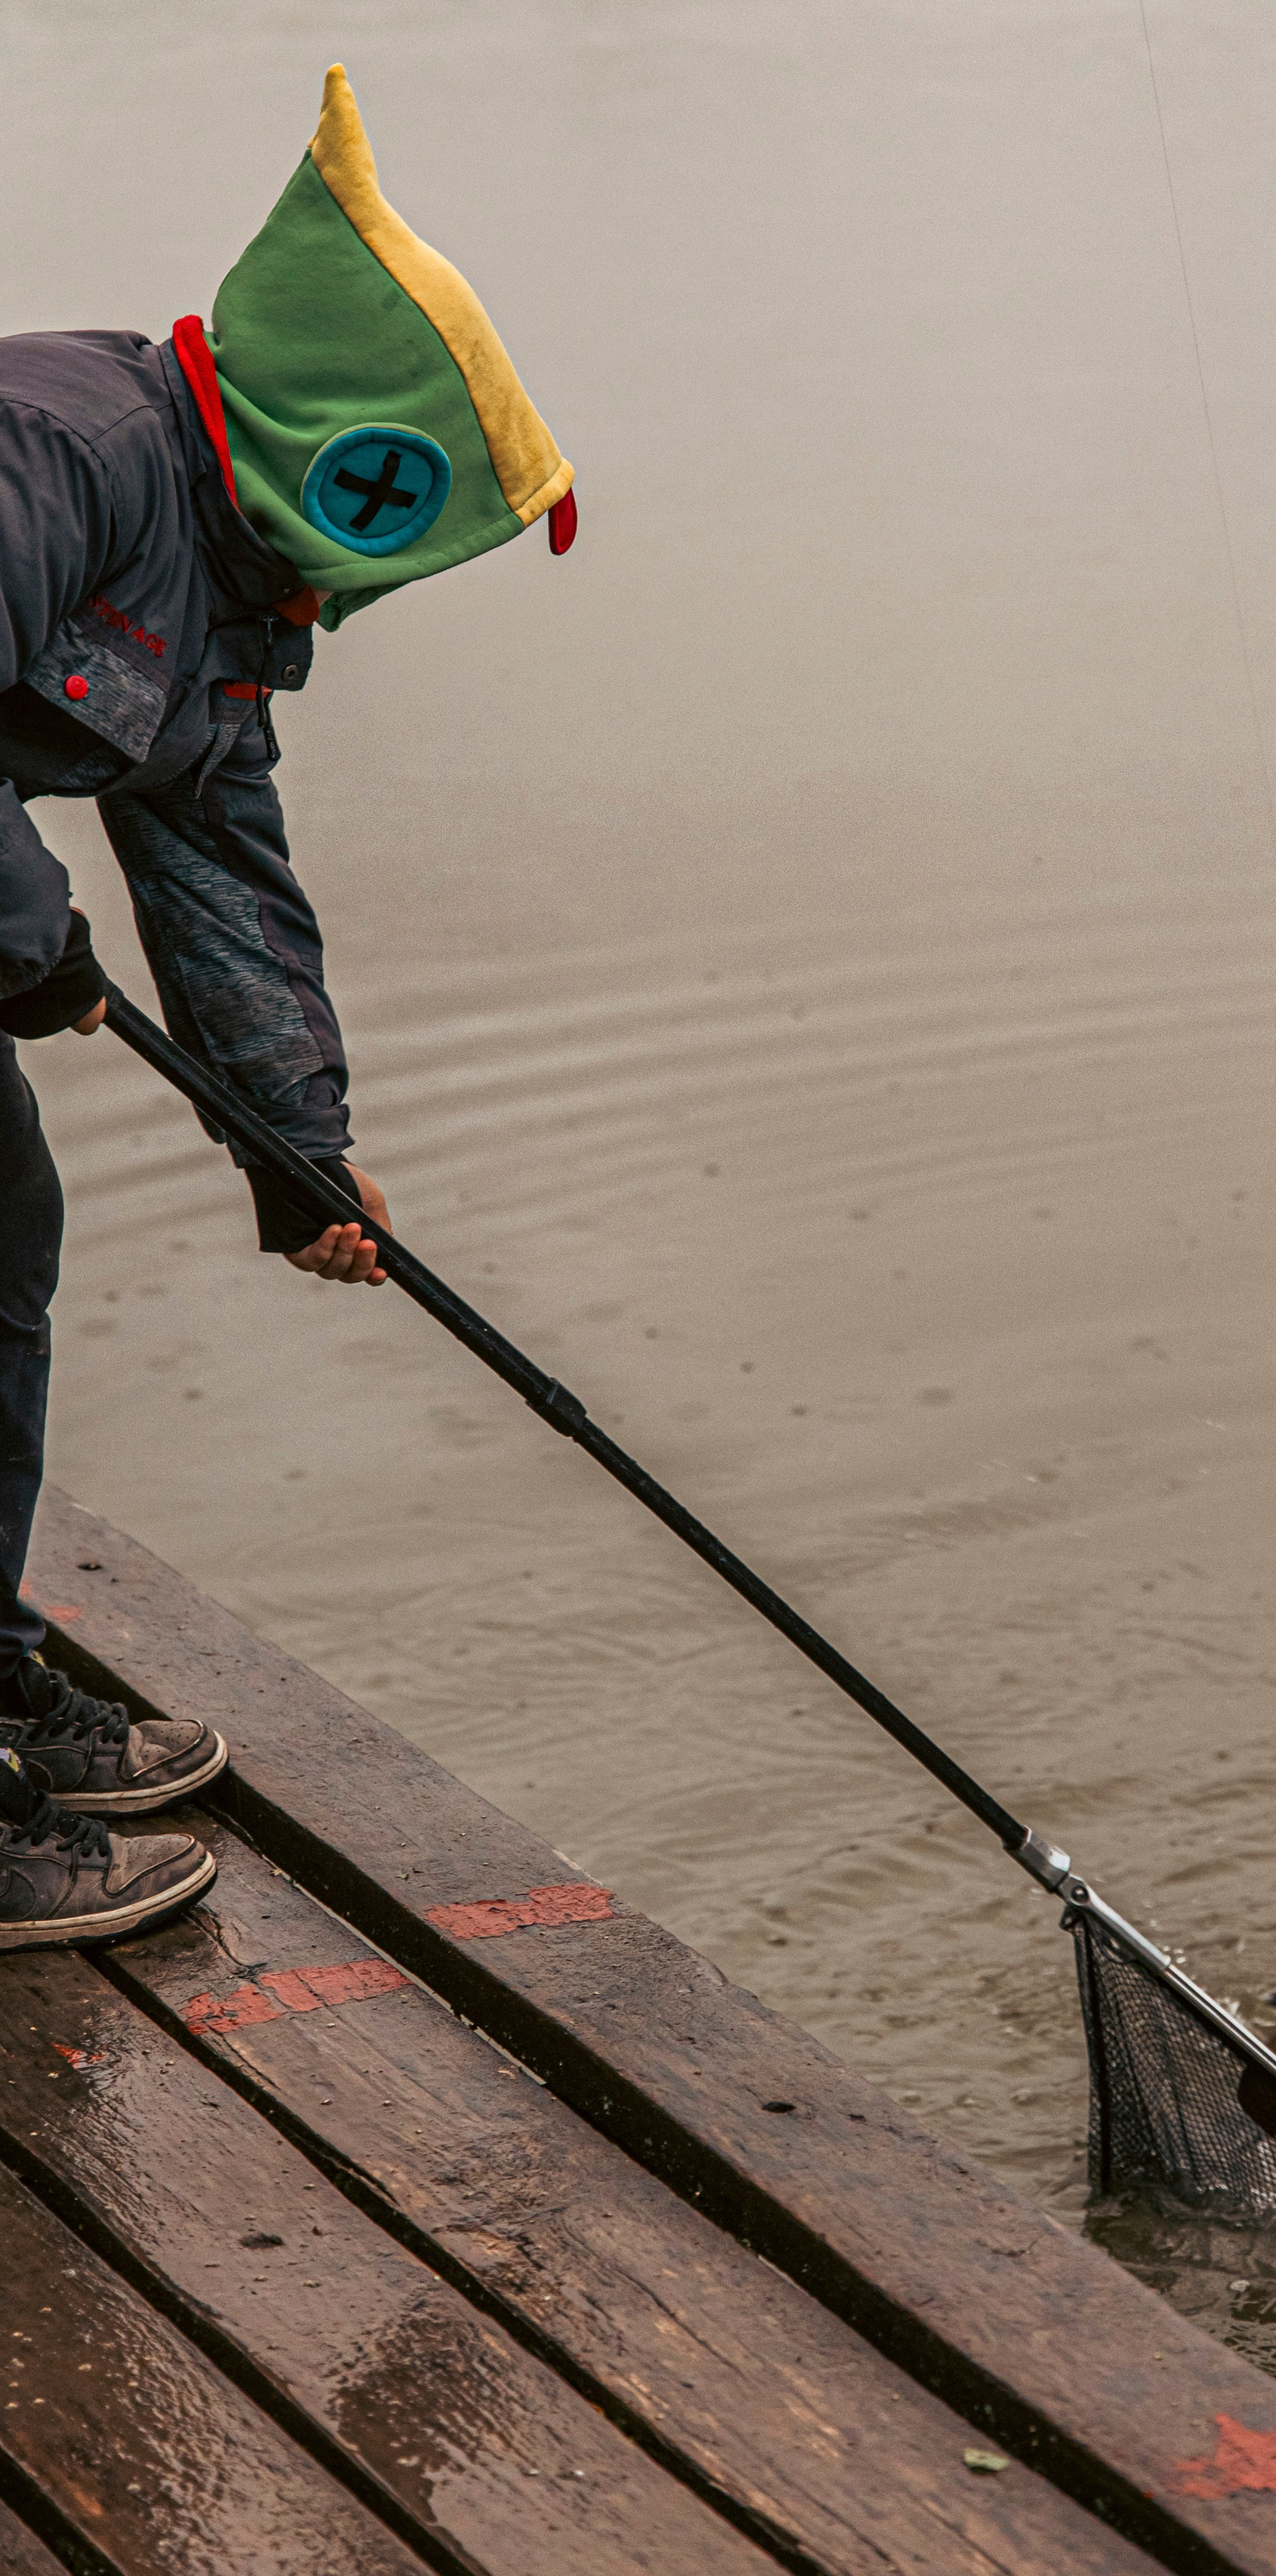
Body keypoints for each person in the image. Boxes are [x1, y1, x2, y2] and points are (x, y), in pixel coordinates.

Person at [0, 66, 573, 1947]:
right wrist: (25, 932)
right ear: (348, 446)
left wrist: (298, 1160)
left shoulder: (223, 576)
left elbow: (224, 875)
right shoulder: (54, 449)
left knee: (10, 1224)